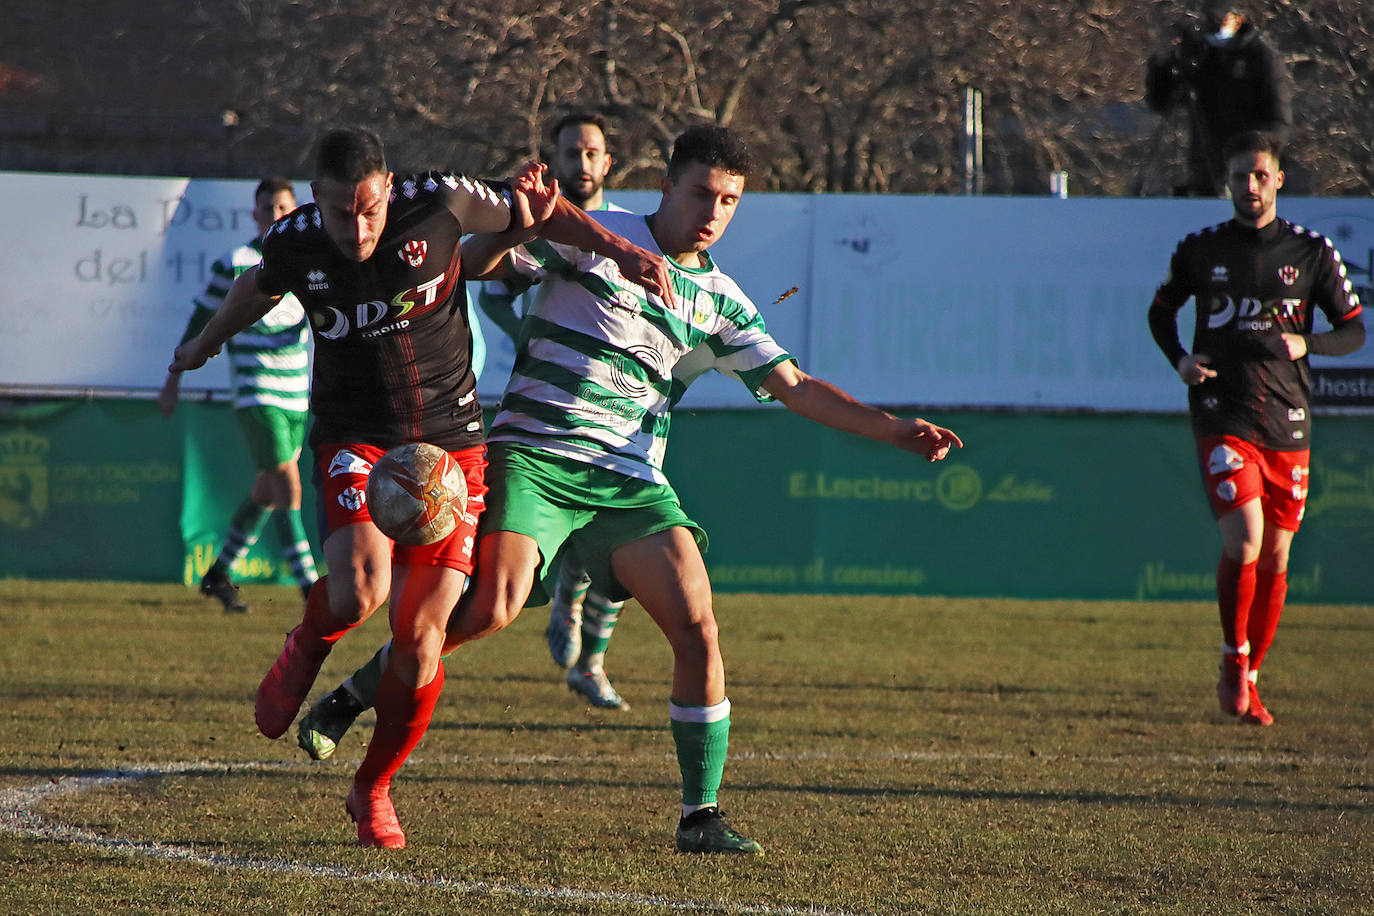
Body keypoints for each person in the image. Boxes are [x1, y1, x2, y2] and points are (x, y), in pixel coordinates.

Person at [448, 124, 961, 855]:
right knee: (488, 610)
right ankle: (368, 687)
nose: (713, 211)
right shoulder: (597, 231)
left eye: (728, 200)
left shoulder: (719, 299)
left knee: (698, 625)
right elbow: (474, 263)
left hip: (627, 481)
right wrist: (513, 231)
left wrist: (891, 428)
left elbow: (796, 386)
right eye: (701, 193)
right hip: (536, 454)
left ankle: (700, 815)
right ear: (666, 185)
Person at [168, 127, 671, 849]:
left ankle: (372, 787)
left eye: (370, 208)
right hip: (356, 435)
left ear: (388, 188)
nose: (359, 226)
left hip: (450, 443)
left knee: (422, 640)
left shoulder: (438, 200)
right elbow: (259, 284)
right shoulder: (298, 239)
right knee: (358, 591)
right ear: (318, 200)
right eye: (342, 212)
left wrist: (625, 250)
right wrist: (209, 340)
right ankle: (308, 642)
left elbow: (544, 212)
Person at [1147, 130, 1364, 726]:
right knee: (1243, 539)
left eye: (1260, 176)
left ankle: (1253, 673)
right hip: (1223, 411)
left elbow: (1353, 330)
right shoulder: (1200, 249)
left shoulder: (1312, 252)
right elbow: (1161, 311)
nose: (1250, 186)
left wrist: (1306, 340)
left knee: (1276, 555)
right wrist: (1181, 361)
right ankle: (1233, 654)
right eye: (1240, 176)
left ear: (1278, 180)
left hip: (1288, 419)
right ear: (1227, 182)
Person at [157, 177, 317, 613]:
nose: (276, 216)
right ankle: (310, 586)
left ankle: (218, 574)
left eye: (284, 208)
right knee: (287, 482)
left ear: (295, 210)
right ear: (255, 214)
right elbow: (201, 320)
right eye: (268, 209)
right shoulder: (238, 262)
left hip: (295, 395)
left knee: (267, 488)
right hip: (256, 390)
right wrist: (173, 378)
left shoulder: (308, 260)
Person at [1145, 1, 1292, 197]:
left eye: (1220, 19)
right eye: (1208, 20)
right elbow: (1161, 102)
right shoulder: (1198, 55)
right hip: (1204, 167)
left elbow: (1278, 120)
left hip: (1247, 168)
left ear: (1238, 20)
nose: (1213, 25)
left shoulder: (1260, 57)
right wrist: (1162, 63)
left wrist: (1256, 157)